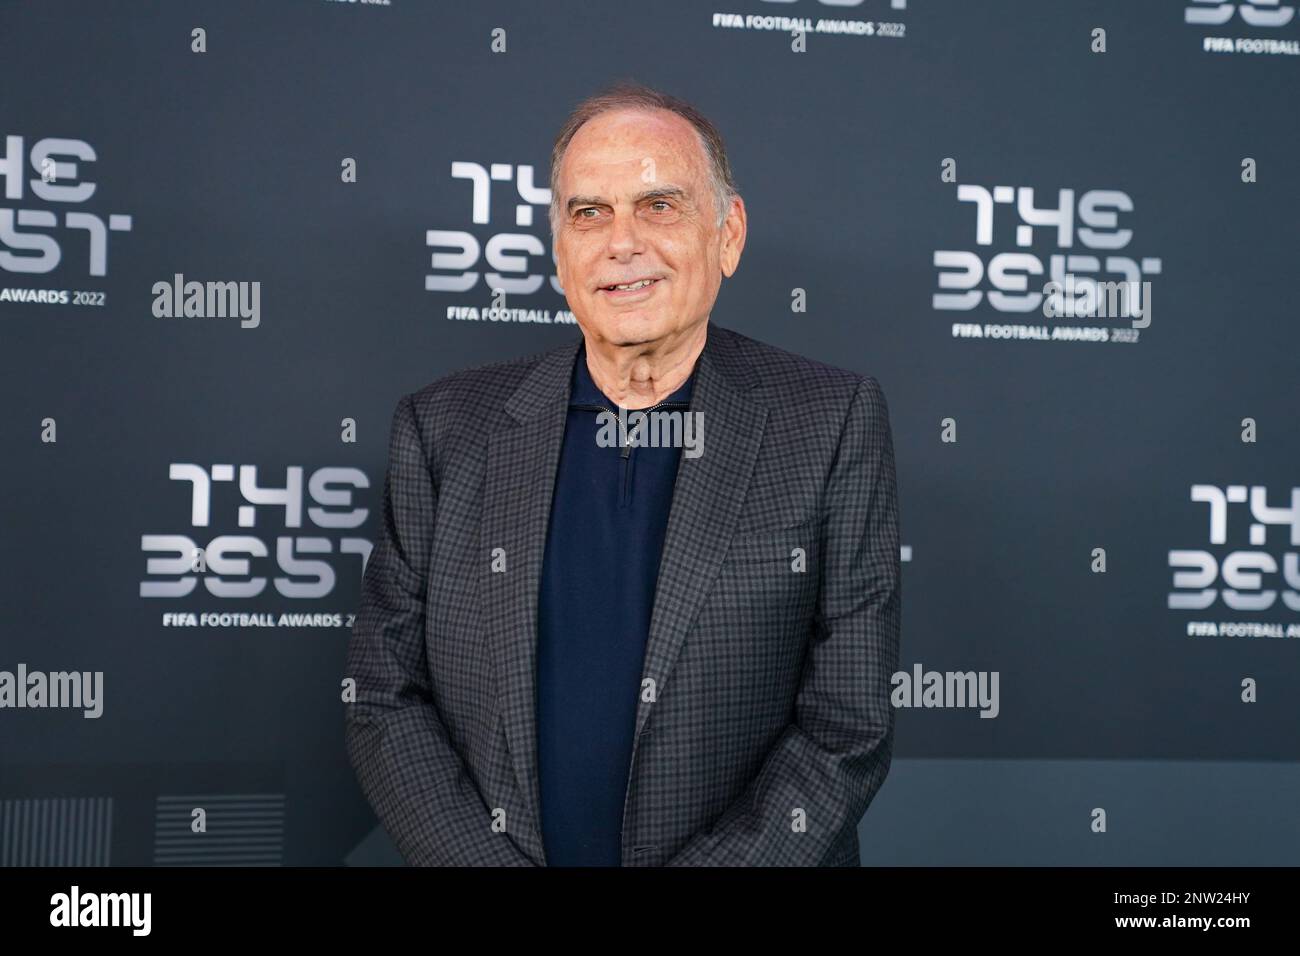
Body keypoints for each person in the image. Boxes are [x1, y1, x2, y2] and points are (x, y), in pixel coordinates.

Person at [344, 81, 901, 866]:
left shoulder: (830, 421)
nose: (621, 242)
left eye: (660, 206)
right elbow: (384, 700)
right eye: (589, 213)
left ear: (729, 234)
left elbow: (847, 724)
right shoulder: (442, 430)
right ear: (560, 252)